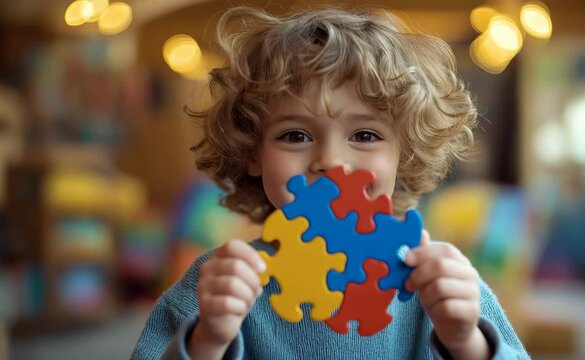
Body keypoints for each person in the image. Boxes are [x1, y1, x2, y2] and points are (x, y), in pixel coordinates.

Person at [132, 5, 529, 360]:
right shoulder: (217, 284)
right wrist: (207, 341)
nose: (330, 162)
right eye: (295, 136)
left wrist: (468, 343)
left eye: (365, 135)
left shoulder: (441, 281)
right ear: (253, 152)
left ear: (403, 153)